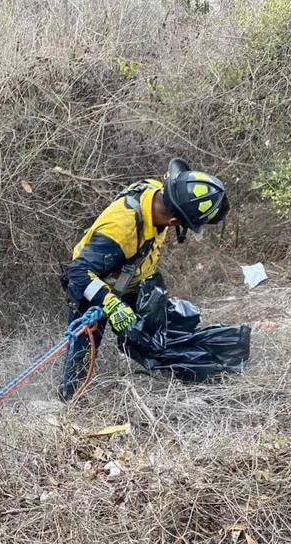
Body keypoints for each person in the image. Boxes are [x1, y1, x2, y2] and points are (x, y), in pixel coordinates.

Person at [58, 158, 229, 401]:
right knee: (85, 347)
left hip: (131, 281)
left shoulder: (156, 193)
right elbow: (76, 273)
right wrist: (110, 303)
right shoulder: (122, 228)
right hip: (93, 286)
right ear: (173, 222)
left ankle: (187, 373)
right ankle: (70, 398)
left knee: (159, 329)